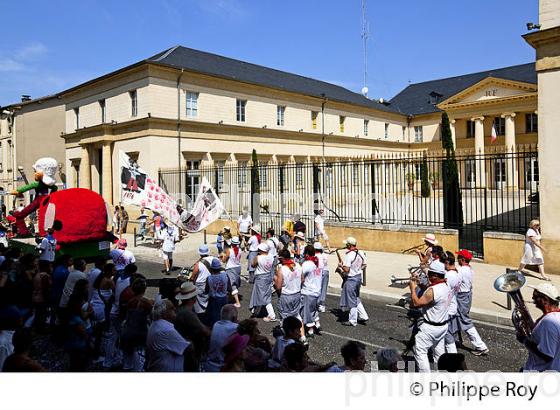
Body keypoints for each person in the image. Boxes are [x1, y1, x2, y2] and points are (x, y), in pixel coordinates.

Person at [409, 260, 451, 372]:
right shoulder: (446, 285)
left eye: (430, 274)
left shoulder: (433, 290)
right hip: (442, 326)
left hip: (430, 327)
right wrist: (420, 284)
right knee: (439, 352)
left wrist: (413, 288)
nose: (427, 276)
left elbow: (416, 303)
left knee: (420, 351)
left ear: (436, 276)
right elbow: (430, 294)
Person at [10, 157, 58, 237]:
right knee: (45, 215)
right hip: (46, 199)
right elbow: (55, 188)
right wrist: (51, 196)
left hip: (38, 200)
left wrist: (18, 191)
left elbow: (28, 187)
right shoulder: (49, 185)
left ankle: (24, 231)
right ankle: (45, 232)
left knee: (22, 215)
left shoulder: (37, 184)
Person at [455, 249, 489, 356]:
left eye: (459, 257)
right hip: (467, 296)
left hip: (461, 297)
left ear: (463, 259)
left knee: (465, 321)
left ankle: (480, 346)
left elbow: (455, 283)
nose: (457, 259)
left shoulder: (461, 271)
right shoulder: (470, 269)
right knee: (456, 318)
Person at [521, 283, 560, 372]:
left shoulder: (549, 322)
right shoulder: (554, 317)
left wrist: (525, 340)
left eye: (535, 296)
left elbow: (547, 355)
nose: (532, 298)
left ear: (545, 300)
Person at [174, 282, 210, 371]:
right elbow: (204, 330)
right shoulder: (187, 313)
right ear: (193, 299)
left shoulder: (180, 309)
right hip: (190, 348)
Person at [146, 299, 189, 372]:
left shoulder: (156, 324)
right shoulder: (166, 329)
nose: (175, 309)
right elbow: (187, 348)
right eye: (171, 308)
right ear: (164, 313)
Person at [121, 277, 153, 371]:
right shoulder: (145, 302)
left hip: (128, 329)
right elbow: (151, 315)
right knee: (139, 359)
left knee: (128, 359)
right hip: (139, 331)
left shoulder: (130, 301)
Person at [339, 237, 369, 326]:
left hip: (351, 279)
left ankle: (352, 320)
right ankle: (363, 315)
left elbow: (347, 269)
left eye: (346, 244)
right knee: (355, 297)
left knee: (351, 300)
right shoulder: (360, 253)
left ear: (349, 245)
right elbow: (364, 265)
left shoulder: (349, 255)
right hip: (358, 278)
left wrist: (341, 266)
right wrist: (357, 269)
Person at [204, 304, 239, 372]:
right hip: (223, 366)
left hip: (210, 363)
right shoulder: (235, 327)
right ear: (234, 317)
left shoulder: (216, 324)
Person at [274, 249, 303, 326]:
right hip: (297, 293)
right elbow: (302, 280)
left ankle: (286, 333)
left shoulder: (282, 269)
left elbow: (278, 286)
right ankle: (299, 332)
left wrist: (275, 280)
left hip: (286, 295)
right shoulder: (298, 265)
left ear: (282, 258)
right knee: (296, 314)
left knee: (284, 316)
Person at [249, 242, 276, 322]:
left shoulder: (258, 257)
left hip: (260, 277)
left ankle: (271, 314)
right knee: (263, 294)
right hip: (268, 276)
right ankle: (256, 310)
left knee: (262, 296)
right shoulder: (271, 256)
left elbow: (253, 265)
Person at [301, 245, 322, 336]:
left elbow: (300, 275)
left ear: (306, 254)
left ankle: (310, 328)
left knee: (306, 310)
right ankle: (317, 323)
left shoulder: (307, 264)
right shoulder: (317, 262)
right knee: (313, 308)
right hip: (317, 290)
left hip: (308, 290)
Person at [442, 252, 461, 354]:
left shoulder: (448, 275)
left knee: (447, 335)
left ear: (448, 262)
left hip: (447, 308)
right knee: (448, 333)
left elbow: (444, 292)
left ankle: (453, 356)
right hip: (453, 306)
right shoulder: (457, 273)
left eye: (443, 262)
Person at [205, 258, 231, 327]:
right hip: (224, 298)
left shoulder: (209, 278)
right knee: (224, 315)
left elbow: (206, 291)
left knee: (214, 317)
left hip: (214, 300)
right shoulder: (225, 275)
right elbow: (229, 288)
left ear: (211, 268)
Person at [190, 244, 214, 320]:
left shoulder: (198, 264)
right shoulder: (213, 259)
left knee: (199, 302)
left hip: (200, 283)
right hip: (210, 281)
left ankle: (200, 317)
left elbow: (193, 275)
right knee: (207, 298)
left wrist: (191, 280)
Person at [32, 260, 52, 333]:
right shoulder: (45, 276)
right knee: (42, 315)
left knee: (38, 314)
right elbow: (46, 289)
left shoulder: (37, 274)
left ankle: (37, 328)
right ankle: (40, 329)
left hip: (35, 296)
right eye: (50, 266)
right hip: (42, 298)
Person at [222, 236, 242, 308]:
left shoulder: (229, 250)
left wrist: (223, 256)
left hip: (230, 268)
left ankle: (237, 302)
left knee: (232, 284)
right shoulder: (240, 250)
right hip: (238, 267)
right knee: (234, 283)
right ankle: (230, 298)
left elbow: (224, 260)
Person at [315, 242, 329, 313]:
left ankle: (316, 304)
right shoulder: (325, 255)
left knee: (317, 287)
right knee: (324, 288)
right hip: (326, 271)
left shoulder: (316, 256)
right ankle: (322, 305)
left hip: (318, 272)